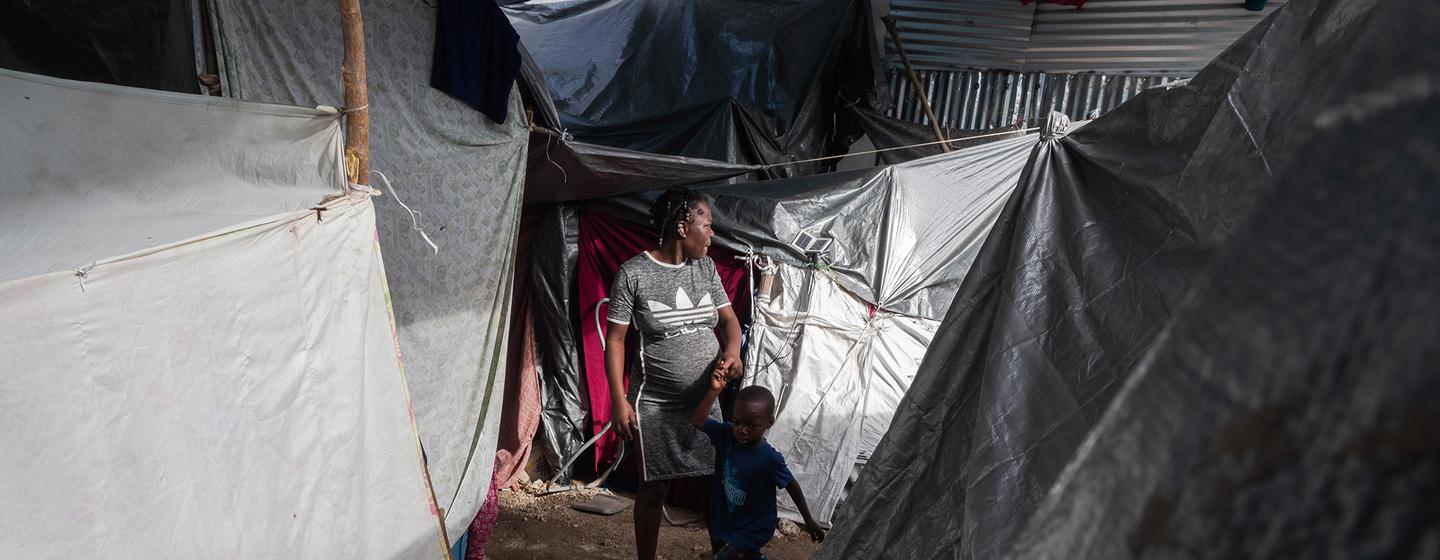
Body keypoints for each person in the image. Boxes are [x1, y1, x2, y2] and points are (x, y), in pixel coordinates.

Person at [605, 187, 743, 560]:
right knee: (654, 491)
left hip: (706, 401)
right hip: (657, 406)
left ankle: (722, 556)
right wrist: (619, 401)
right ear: (684, 226)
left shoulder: (706, 268)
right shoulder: (633, 274)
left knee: (711, 486)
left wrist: (733, 350)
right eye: (707, 225)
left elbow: (730, 321)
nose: (712, 234)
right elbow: (615, 340)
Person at [693, 380, 825, 560]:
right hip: (728, 517)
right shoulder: (726, 435)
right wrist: (714, 390)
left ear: (769, 422)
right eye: (737, 421)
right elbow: (699, 420)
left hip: (754, 527)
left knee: (734, 555)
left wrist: (808, 520)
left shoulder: (770, 459)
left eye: (751, 425)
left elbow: (792, 486)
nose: (742, 430)